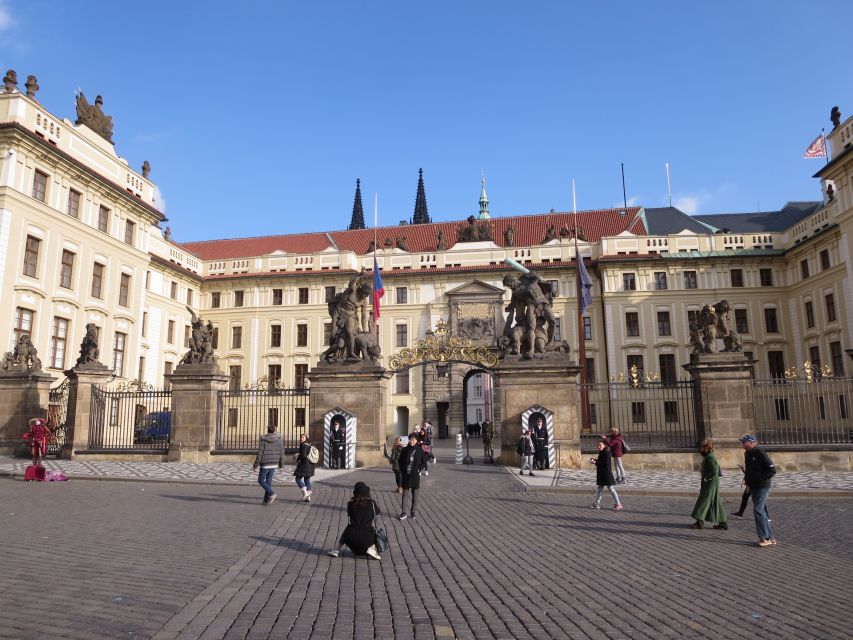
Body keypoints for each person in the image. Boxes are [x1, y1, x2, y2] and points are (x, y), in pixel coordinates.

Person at [328, 482, 382, 559]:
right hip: (367, 540)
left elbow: (350, 515)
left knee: (348, 529)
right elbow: (376, 513)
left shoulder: (351, 504)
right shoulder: (372, 503)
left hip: (352, 539)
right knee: (373, 530)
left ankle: (336, 550)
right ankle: (371, 549)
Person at [740, 434, 777, 547]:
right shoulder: (747, 453)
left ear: (752, 442)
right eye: (742, 442)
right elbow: (751, 470)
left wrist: (758, 479)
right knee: (762, 512)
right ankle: (771, 537)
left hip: (762, 486)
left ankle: (765, 538)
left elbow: (772, 470)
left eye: (744, 442)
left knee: (758, 509)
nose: (742, 444)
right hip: (753, 486)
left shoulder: (760, 452)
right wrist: (747, 479)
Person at [689, 439, 727, 530]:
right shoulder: (710, 456)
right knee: (715, 502)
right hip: (712, 482)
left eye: (702, 447)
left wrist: (706, 478)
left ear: (706, 448)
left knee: (703, 501)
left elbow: (714, 470)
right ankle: (723, 523)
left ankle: (699, 523)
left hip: (710, 483)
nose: (700, 449)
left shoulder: (710, 457)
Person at [252, 425, 285, 505]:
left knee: (260, 480)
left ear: (268, 431)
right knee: (268, 482)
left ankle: (271, 493)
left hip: (265, 464)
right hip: (274, 464)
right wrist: (281, 464)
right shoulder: (279, 440)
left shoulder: (264, 440)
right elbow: (282, 453)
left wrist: (255, 465)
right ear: (274, 431)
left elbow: (260, 454)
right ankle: (266, 500)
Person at [398, 432, 427, 520]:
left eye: (413, 439)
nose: (412, 441)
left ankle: (413, 511)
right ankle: (404, 512)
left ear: (417, 441)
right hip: (406, 475)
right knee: (405, 494)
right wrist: (403, 470)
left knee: (415, 494)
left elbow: (424, 462)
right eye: (410, 439)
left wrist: (419, 470)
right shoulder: (405, 449)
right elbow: (400, 461)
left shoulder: (420, 450)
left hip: (415, 475)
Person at [589, 440, 623, 510]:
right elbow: (601, 461)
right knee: (600, 489)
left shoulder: (606, 452)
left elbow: (605, 463)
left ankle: (618, 504)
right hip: (602, 474)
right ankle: (597, 503)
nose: (598, 447)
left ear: (604, 445)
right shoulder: (602, 452)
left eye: (600, 445)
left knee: (611, 489)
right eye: (598, 445)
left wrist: (595, 462)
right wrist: (594, 460)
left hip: (606, 474)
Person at [294, 433, 316, 502]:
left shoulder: (304, 445)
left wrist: (298, 456)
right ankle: (308, 497)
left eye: (303, 437)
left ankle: (305, 493)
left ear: (306, 438)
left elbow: (303, 455)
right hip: (310, 465)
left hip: (304, 465)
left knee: (297, 478)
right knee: (307, 479)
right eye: (301, 437)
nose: (301, 438)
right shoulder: (309, 445)